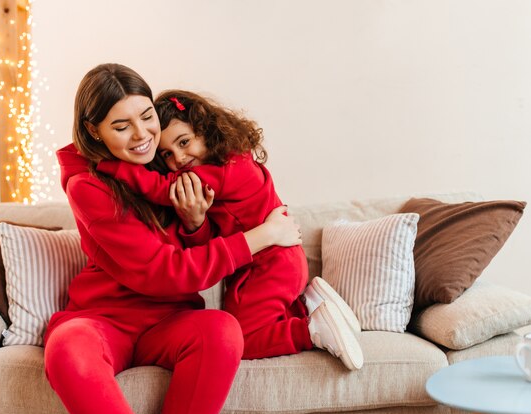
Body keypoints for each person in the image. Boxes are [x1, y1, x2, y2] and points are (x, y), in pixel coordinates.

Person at [44, 63, 306, 414]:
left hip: (171, 319)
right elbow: (162, 271)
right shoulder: (88, 185)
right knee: (67, 346)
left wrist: (195, 223)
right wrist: (262, 236)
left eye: (147, 116)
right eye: (121, 127)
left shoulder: (167, 158)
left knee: (222, 330)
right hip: (105, 318)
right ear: (94, 132)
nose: (141, 135)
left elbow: (199, 254)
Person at [95, 89, 364, 370]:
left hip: (271, 266)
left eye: (184, 142)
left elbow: (162, 188)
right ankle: (308, 305)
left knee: (240, 340)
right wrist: (194, 223)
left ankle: (309, 330)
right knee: (238, 325)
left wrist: (110, 166)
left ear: (204, 129)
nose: (179, 158)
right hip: (259, 266)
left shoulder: (227, 169)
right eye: (167, 154)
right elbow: (210, 241)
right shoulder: (227, 165)